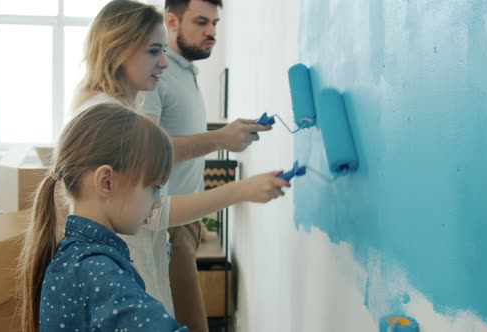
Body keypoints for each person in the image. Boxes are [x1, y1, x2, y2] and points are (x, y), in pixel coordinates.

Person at [70, 0, 289, 318]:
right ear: (118, 50)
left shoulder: (122, 108)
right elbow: (152, 214)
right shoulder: (110, 118)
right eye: (153, 52)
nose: (163, 63)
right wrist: (240, 190)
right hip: (135, 254)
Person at [17, 103, 188, 332]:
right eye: (154, 188)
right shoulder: (96, 271)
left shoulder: (76, 258)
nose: (157, 202)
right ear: (106, 181)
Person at [141, 1, 256, 330]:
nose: (212, 32)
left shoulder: (185, 71)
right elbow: (149, 153)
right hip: (166, 225)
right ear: (172, 21)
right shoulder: (156, 76)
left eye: (216, 23)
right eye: (202, 22)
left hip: (186, 223)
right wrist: (221, 139)